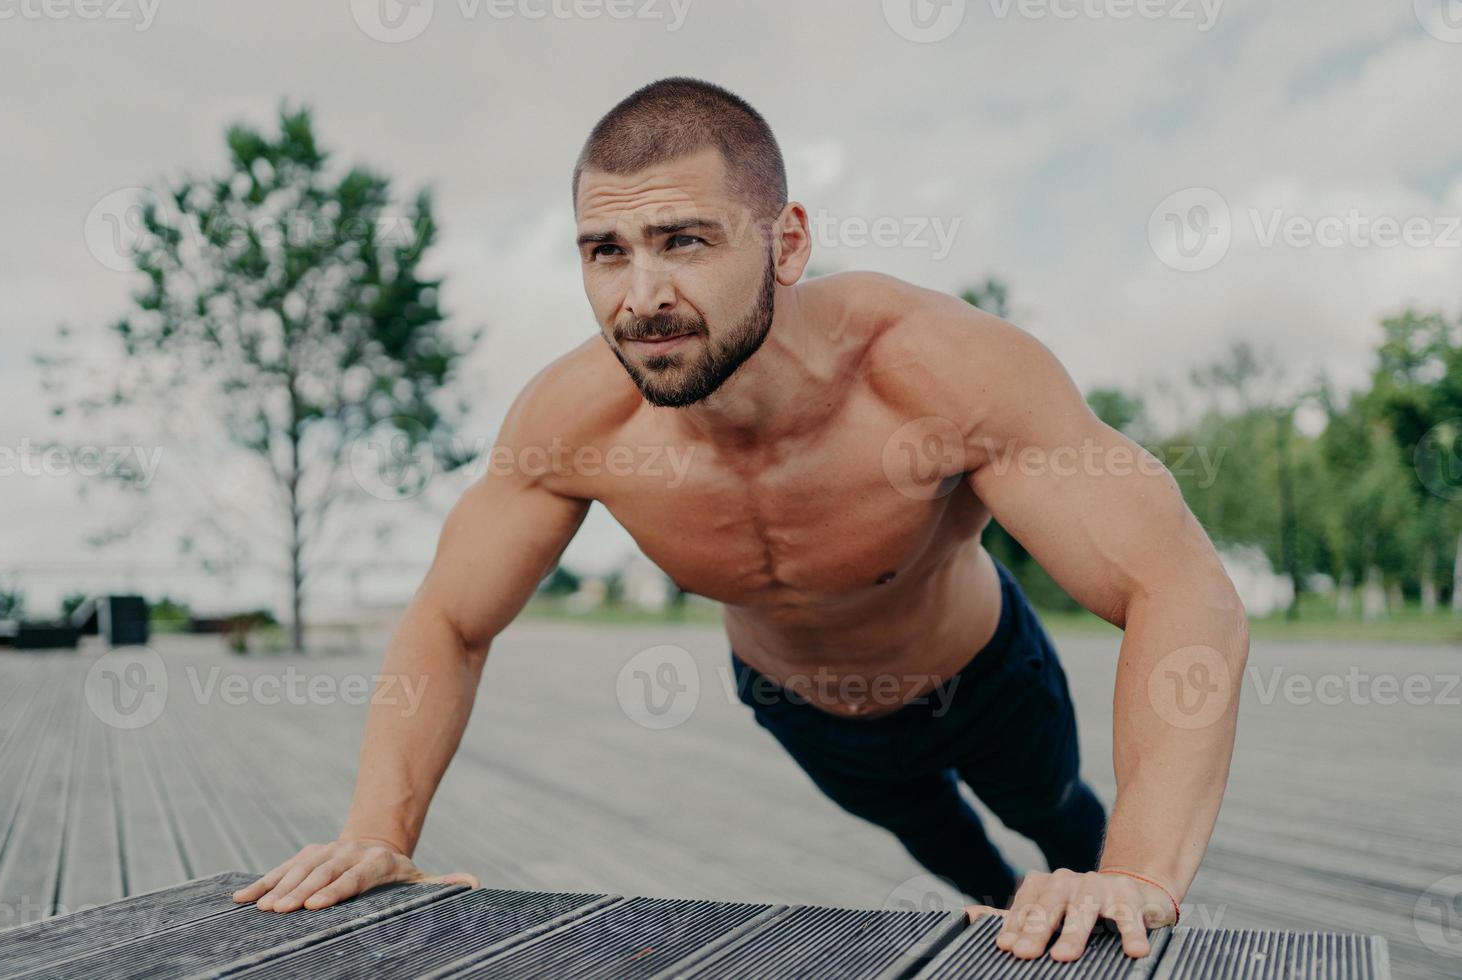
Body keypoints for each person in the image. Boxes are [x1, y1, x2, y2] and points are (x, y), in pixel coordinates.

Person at [233, 77, 1248, 964]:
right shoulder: (575, 422)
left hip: (982, 676)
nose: (642, 296)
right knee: (971, 881)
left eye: (684, 240)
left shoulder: (937, 371)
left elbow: (1181, 584)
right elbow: (449, 619)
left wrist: (1141, 874)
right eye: (605, 251)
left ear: (786, 240)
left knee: (1062, 826)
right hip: (804, 708)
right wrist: (378, 829)